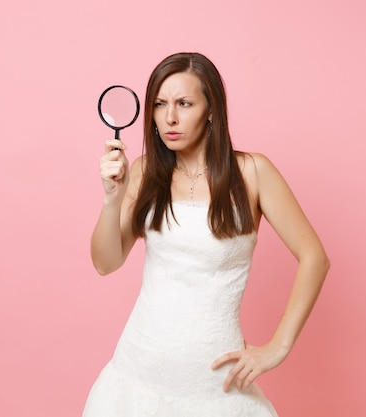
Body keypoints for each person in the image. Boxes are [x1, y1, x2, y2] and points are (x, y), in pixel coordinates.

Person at [83, 52, 330, 417]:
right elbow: (106, 263)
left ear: (211, 109)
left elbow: (315, 258)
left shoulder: (253, 172)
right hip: (136, 375)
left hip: (215, 386)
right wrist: (111, 198)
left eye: (184, 103)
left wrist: (278, 346)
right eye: (159, 104)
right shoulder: (145, 170)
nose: (169, 118)